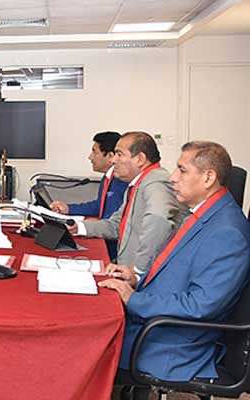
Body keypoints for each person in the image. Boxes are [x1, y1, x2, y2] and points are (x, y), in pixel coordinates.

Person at [99, 141, 250, 400]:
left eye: (182, 170)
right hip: (155, 324)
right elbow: (174, 268)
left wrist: (133, 298)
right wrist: (136, 277)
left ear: (208, 178)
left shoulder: (228, 232)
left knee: (85, 347)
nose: (172, 177)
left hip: (171, 345)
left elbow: (200, 305)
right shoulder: (205, 213)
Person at [69, 131, 184, 275]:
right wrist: (78, 227)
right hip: (125, 268)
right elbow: (116, 225)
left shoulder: (156, 182)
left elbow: (159, 220)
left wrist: (137, 270)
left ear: (140, 159)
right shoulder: (138, 184)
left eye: (119, 154)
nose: (113, 160)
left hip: (138, 277)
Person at [50, 131, 128, 259]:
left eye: (94, 152)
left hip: (113, 248)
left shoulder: (121, 181)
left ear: (110, 156)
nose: (90, 157)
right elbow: (99, 205)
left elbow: (116, 220)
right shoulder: (107, 178)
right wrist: (68, 208)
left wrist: (95, 222)